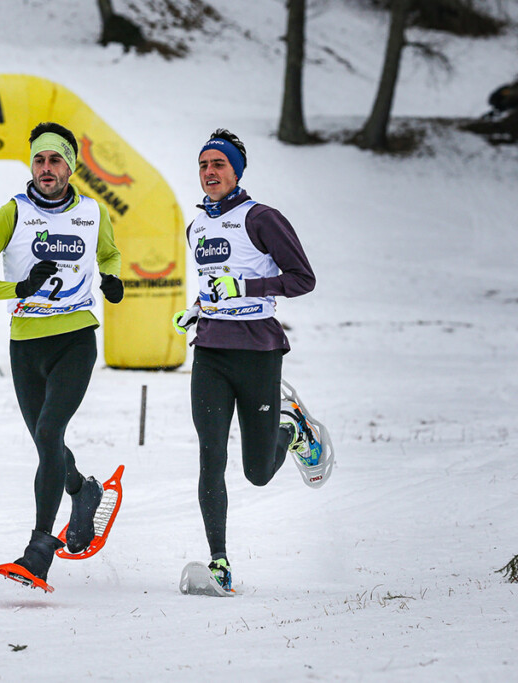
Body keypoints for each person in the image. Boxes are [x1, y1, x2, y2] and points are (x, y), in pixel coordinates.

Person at [0, 121, 124, 588]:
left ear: (70, 167)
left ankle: (38, 552)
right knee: (45, 442)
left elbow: (108, 254)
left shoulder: (93, 213)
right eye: (39, 159)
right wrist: (19, 287)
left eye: (55, 160)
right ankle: (82, 490)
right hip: (25, 344)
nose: (46, 168)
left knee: (51, 430)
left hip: (76, 338)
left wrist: (112, 280)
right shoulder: (12, 213)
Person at [172, 129, 317, 592]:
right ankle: (220, 563)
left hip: (258, 352)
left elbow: (302, 279)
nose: (209, 172)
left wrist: (247, 289)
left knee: (256, 474)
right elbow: (214, 281)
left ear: (236, 171)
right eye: (203, 165)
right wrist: (198, 309)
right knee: (210, 457)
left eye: (218, 164)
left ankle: (290, 429)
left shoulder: (261, 218)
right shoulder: (196, 226)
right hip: (211, 351)